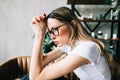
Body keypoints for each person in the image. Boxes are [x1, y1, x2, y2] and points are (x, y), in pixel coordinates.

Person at [29, 6, 111, 80]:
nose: (52, 37)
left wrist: (39, 34)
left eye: (55, 29)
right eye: (50, 32)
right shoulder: (68, 45)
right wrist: (41, 30)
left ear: (72, 24)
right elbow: (40, 63)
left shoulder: (86, 48)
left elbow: (35, 77)